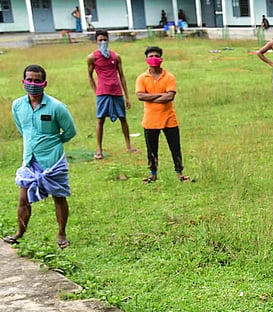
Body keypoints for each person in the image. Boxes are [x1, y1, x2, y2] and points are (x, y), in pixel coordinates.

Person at [6, 65, 76, 249]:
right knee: (23, 199)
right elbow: (23, 129)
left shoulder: (56, 107)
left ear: (44, 83)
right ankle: (19, 232)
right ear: (23, 81)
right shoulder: (18, 105)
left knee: (59, 197)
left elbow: (69, 131)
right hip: (29, 160)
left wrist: (53, 143)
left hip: (53, 160)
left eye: (37, 81)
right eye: (29, 80)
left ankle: (61, 233)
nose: (33, 84)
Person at [135, 46, 189, 183]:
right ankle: (153, 174)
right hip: (150, 120)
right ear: (146, 59)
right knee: (151, 149)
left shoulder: (169, 77)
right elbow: (140, 96)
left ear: (161, 59)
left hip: (169, 119)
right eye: (150, 56)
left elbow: (170, 97)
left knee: (175, 147)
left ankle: (180, 173)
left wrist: (151, 96)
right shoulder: (142, 78)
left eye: (156, 56)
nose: (153, 58)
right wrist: (161, 95)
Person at [88, 30, 138, 159]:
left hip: (116, 91)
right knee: (100, 120)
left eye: (105, 39)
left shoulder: (116, 57)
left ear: (108, 40)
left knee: (123, 118)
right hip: (102, 93)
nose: (103, 42)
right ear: (96, 41)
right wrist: (96, 91)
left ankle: (128, 146)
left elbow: (122, 76)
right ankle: (99, 149)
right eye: (100, 40)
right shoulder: (92, 57)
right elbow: (90, 76)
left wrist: (127, 96)